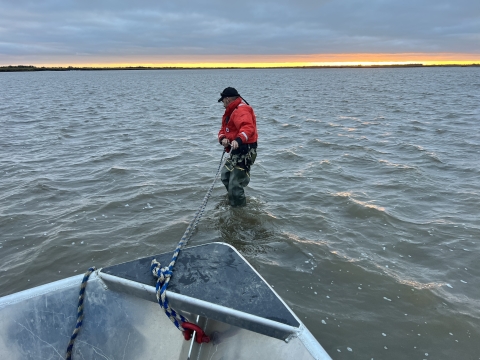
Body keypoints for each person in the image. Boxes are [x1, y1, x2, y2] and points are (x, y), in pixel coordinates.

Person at [217, 87, 258, 207]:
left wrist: (238, 140)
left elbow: (248, 128)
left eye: (223, 101)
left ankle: (238, 209)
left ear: (227, 99)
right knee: (225, 176)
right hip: (235, 150)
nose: (223, 104)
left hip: (246, 150)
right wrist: (223, 138)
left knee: (235, 183)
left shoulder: (242, 110)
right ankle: (233, 198)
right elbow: (223, 130)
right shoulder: (229, 112)